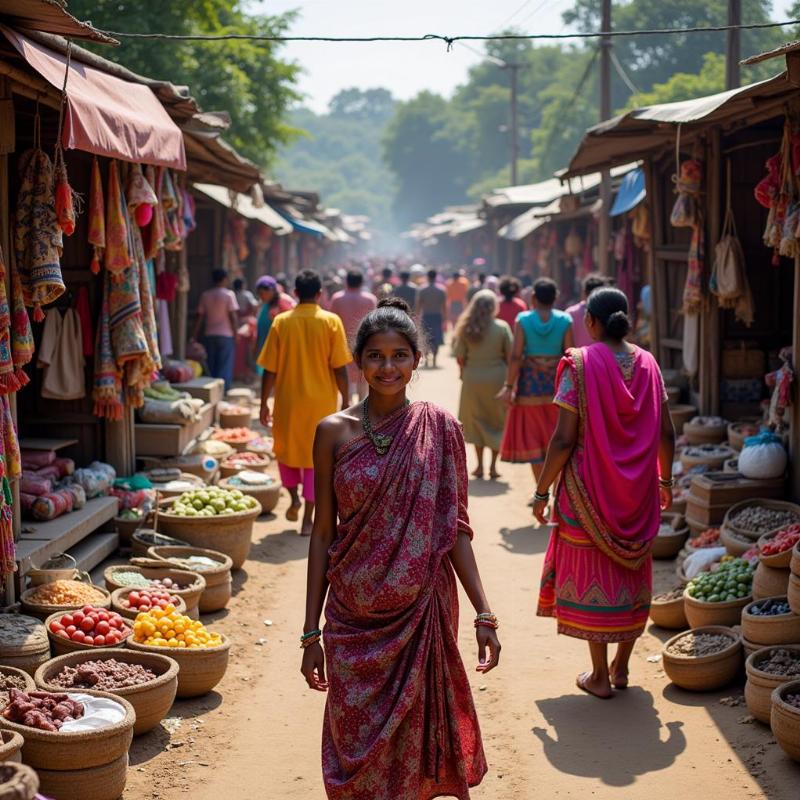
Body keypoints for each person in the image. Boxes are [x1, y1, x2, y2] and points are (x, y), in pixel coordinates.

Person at [303, 298, 500, 799]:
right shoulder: (331, 432)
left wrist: (485, 613)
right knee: (354, 743)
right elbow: (323, 533)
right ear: (358, 362)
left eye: (398, 355)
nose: (387, 367)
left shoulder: (441, 429)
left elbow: (454, 529)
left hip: (421, 610)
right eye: (375, 356)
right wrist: (310, 634)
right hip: (352, 615)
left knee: (418, 740)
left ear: (416, 360)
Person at [533, 287, 675, 699]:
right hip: (640, 492)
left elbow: (562, 441)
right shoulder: (649, 363)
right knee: (631, 575)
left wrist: (542, 493)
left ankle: (598, 674)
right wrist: (664, 482)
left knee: (594, 574)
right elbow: (666, 431)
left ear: (591, 322)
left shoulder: (576, 363)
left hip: (586, 492)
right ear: (625, 319)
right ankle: (621, 668)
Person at [258, 270, 351, 535]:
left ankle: (294, 498)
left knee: (285, 451)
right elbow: (340, 369)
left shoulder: (281, 322)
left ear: (295, 293)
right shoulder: (331, 322)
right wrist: (346, 400)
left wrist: (264, 402)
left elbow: (269, 369)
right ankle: (308, 519)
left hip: (287, 401)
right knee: (317, 458)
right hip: (321, 403)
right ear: (320, 294)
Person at [498, 278, 573, 488]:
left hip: (528, 386)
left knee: (534, 440)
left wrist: (509, 386)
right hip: (557, 386)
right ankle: (556, 488)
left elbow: (515, 355)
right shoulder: (565, 320)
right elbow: (569, 354)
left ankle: (541, 489)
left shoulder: (523, 320)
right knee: (556, 437)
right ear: (555, 298)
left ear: (533, 298)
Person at [454, 290, 512, 480]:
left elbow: (460, 357)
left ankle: (479, 466)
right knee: (496, 421)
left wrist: (464, 374)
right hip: (497, 378)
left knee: (476, 421)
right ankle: (494, 467)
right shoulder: (501, 327)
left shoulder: (466, 328)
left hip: (473, 378)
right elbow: (510, 356)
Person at [330, 270, 378, 401]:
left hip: (342, 343)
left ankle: (348, 405)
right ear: (362, 282)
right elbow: (375, 323)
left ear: (346, 281)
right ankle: (362, 409)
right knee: (363, 376)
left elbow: (332, 321)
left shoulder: (337, 298)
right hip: (364, 342)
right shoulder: (370, 299)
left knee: (346, 377)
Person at [191, 268, 239, 391]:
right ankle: (223, 390)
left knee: (212, 364)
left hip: (209, 334)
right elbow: (233, 316)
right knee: (224, 365)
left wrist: (194, 336)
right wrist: (236, 333)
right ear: (224, 279)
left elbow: (200, 317)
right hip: (226, 335)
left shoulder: (205, 295)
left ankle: (212, 390)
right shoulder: (229, 295)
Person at [254, 276, 296, 377]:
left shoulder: (283, 301)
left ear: (271, 290)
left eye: (263, 293)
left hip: (280, 346)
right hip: (267, 343)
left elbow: (292, 322)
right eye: (259, 294)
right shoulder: (266, 303)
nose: (261, 297)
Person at [565, 273, 608, 349]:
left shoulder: (569, 313)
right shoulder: (608, 312)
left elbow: (567, 345)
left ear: (584, 292)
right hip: (600, 358)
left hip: (577, 358)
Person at [416, 269, 447, 368]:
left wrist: (417, 317)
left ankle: (426, 361)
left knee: (426, 339)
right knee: (436, 339)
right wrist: (445, 318)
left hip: (426, 316)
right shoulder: (441, 290)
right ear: (436, 276)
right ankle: (434, 360)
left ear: (428, 277)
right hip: (437, 316)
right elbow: (444, 306)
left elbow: (419, 305)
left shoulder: (422, 289)